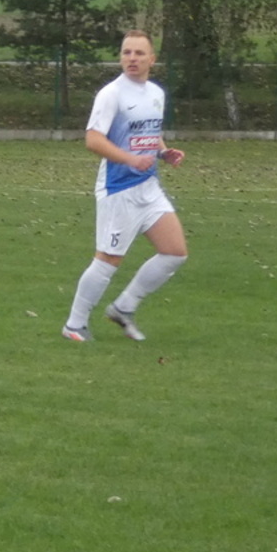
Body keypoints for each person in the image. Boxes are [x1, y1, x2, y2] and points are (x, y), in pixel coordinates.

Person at [62, 29, 188, 342]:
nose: (132, 58)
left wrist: (163, 152)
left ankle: (123, 308)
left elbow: (149, 132)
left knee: (174, 252)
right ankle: (74, 325)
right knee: (108, 260)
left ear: (152, 59)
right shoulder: (111, 94)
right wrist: (131, 159)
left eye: (139, 53)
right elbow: (93, 140)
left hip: (148, 186)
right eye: (126, 52)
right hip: (118, 189)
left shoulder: (156, 93)